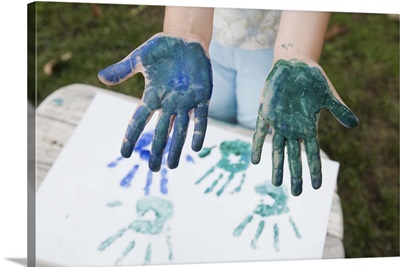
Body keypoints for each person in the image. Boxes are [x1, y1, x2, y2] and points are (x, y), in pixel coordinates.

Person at [98, 6, 359, 196]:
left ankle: (245, 190)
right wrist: (184, 31)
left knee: (256, 127)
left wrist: (297, 53)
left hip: (272, 46)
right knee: (214, 116)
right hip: (208, 42)